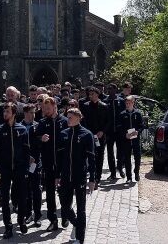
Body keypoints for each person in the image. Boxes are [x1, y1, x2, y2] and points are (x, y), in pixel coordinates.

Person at [0, 102, 30, 239]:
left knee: (22, 196)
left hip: (19, 169)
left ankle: (21, 220)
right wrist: (0, 167)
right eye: (4, 112)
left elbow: (26, 150)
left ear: (14, 113)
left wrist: (25, 168)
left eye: (7, 112)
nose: (4, 114)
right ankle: (8, 226)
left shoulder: (22, 129)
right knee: (5, 199)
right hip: (5, 170)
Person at [56, 108, 96, 244]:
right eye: (67, 117)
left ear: (79, 117)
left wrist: (92, 180)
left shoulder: (87, 134)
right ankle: (77, 224)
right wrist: (57, 175)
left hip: (80, 176)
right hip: (66, 176)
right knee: (65, 206)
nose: (68, 120)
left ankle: (80, 238)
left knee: (81, 208)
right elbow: (59, 158)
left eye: (71, 117)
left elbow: (91, 158)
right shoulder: (63, 134)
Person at [36, 97, 68, 231]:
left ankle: (66, 215)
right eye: (44, 109)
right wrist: (40, 139)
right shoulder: (42, 123)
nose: (45, 111)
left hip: (63, 162)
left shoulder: (65, 121)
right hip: (48, 162)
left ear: (55, 107)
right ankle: (52, 219)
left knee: (64, 191)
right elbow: (35, 139)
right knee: (49, 193)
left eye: (48, 109)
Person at [81, 87, 109, 188]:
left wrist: (102, 131)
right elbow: (83, 121)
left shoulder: (104, 106)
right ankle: (89, 176)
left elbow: (108, 121)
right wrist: (87, 132)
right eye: (89, 94)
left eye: (92, 94)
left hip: (100, 136)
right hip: (89, 135)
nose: (90, 96)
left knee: (99, 156)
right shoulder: (85, 106)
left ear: (97, 94)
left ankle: (97, 178)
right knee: (89, 156)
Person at [23, 104, 42, 228]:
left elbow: (41, 145)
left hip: (36, 163)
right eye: (30, 112)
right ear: (25, 113)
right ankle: (28, 214)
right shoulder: (19, 126)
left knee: (37, 189)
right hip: (23, 163)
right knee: (26, 190)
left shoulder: (38, 126)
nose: (33, 115)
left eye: (34, 112)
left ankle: (38, 215)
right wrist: (26, 157)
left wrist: (34, 157)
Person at [118, 96, 144, 182]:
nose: (128, 105)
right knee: (127, 158)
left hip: (136, 139)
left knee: (137, 157)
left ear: (133, 103)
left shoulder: (138, 113)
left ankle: (136, 172)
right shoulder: (122, 114)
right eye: (126, 103)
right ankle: (129, 177)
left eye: (129, 103)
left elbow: (141, 126)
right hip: (126, 140)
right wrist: (124, 134)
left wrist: (138, 131)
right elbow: (119, 127)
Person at [104, 83, 126, 179]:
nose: (109, 90)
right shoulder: (105, 101)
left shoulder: (121, 101)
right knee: (110, 152)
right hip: (109, 131)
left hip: (119, 130)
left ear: (115, 90)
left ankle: (120, 168)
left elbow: (124, 115)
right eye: (108, 89)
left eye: (111, 89)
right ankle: (112, 172)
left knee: (120, 151)